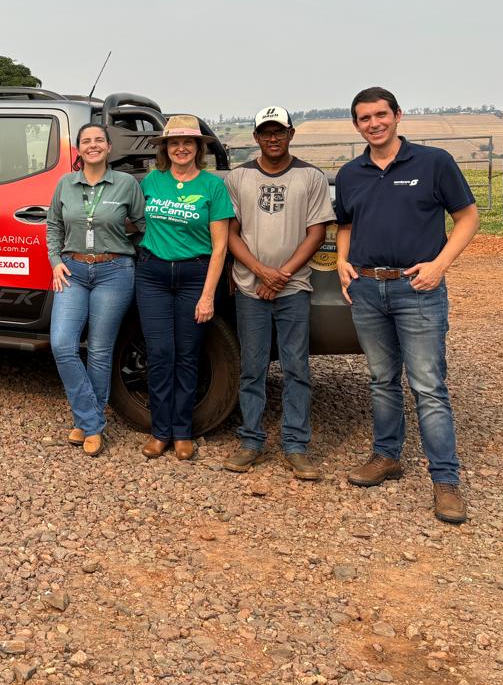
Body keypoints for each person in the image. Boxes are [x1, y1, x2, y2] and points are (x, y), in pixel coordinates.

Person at [335, 86, 478, 525]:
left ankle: (445, 479)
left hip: (417, 288)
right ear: (356, 124)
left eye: (381, 115)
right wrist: (342, 260)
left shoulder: (433, 162)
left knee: (428, 385)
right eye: (364, 118)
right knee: (380, 379)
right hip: (367, 289)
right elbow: (345, 223)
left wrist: (439, 264)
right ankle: (386, 456)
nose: (374, 124)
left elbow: (468, 217)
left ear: (398, 115)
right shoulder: (350, 172)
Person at [222, 106, 335, 480]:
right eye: (265, 133)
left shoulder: (310, 176)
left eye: (279, 132)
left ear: (291, 134)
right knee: (252, 368)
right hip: (250, 288)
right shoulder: (239, 178)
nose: (273, 138)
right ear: (255, 137)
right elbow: (230, 233)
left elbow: (316, 232)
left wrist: (282, 274)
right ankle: (251, 441)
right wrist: (260, 272)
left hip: (294, 288)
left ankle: (296, 445)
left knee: (296, 367)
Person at [134, 114, 234, 460]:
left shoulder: (212, 186)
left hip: (195, 276)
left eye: (188, 142)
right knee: (160, 355)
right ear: (165, 148)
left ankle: (183, 432)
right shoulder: (151, 182)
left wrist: (208, 295)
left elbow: (220, 246)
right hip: (153, 276)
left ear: (197, 148)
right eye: (174, 143)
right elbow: (130, 219)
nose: (181, 148)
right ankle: (159, 432)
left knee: (188, 356)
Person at [46, 123, 145, 456]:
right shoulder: (65, 184)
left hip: (114, 272)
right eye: (86, 141)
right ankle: (91, 420)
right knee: (62, 344)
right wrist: (54, 259)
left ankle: (87, 426)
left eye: (98, 140)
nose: (93, 145)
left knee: (101, 350)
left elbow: (143, 225)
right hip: (72, 271)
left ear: (108, 147)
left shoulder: (126, 184)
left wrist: (136, 258)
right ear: (78, 150)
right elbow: (53, 226)